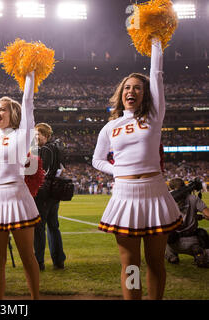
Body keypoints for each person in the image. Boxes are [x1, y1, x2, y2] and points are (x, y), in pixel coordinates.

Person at [92, 39, 182, 300]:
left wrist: (155, 39)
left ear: (146, 94)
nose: (131, 91)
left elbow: (156, 74)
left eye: (137, 88)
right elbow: (97, 160)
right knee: (131, 265)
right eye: (127, 88)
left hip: (154, 193)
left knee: (156, 262)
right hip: (124, 195)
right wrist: (117, 170)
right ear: (121, 93)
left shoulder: (154, 116)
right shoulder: (110, 127)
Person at [0, 71, 40, 300]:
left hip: (16, 198)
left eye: (2, 109)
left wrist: (29, 76)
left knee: (27, 256)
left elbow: (28, 103)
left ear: (13, 113)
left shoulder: (20, 135)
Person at [33, 123, 66, 271]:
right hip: (54, 192)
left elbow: (43, 173)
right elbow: (62, 169)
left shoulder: (45, 149)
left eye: (37, 135)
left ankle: (38, 261)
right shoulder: (56, 148)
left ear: (45, 135)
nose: (35, 137)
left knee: (39, 228)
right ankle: (58, 260)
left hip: (44, 193)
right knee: (53, 227)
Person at [165, 178, 209, 267]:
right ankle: (199, 254)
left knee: (165, 234)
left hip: (173, 241)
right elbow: (208, 215)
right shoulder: (193, 198)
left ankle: (171, 255)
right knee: (202, 233)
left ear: (170, 188)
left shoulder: (166, 199)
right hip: (192, 241)